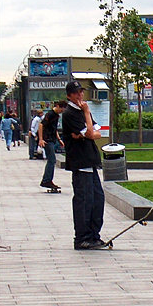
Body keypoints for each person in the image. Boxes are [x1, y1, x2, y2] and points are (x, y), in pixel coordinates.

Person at [61, 81, 106, 250]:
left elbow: (97, 133)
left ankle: (94, 234)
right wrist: (87, 113)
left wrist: (88, 129)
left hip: (91, 161)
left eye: (81, 92)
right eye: (76, 93)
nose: (80, 95)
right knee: (84, 201)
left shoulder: (81, 111)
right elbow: (89, 132)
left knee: (97, 199)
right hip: (80, 163)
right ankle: (82, 237)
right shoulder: (70, 113)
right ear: (69, 95)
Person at [38, 101, 66, 191]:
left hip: (52, 139)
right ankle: (46, 180)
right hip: (47, 140)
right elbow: (41, 125)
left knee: (51, 160)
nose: (62, 111)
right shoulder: (50, 114)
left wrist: (59, 139)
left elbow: (54, 129)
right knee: (52, 160)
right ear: (57, 106)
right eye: (61, 109)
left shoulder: (56, 116)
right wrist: (41, 139)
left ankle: (48, 180)